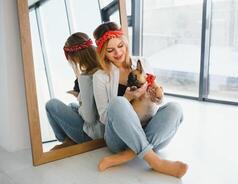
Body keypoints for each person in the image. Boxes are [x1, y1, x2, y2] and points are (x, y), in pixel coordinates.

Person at [92, 22, 188, 178]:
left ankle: (127, 156)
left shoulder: (142, 62)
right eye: (110, 50)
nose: (118, 53)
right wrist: (128, 97)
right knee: (118, 103)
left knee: (175, 108)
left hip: (150, 131)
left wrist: (158, 96)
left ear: (125, 42)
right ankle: (156, 162)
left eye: (120, 46)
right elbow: (104, 117)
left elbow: (158, 101)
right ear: (103, 53)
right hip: (120, 139)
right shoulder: (100, 76)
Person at [45, 32, 104, 150]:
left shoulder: (86, 76)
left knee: (51, 104)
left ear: (75, 57)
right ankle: (70, 140)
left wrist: (79, 97)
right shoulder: (103, 68)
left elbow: (89, 118)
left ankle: (67, 140)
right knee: (72, 106)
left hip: (93, 136)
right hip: (104, 129)